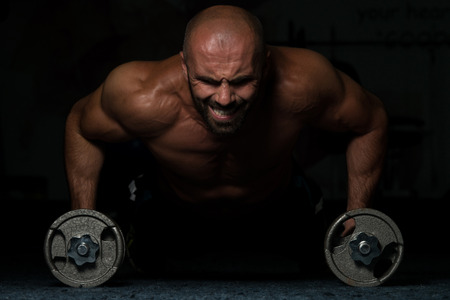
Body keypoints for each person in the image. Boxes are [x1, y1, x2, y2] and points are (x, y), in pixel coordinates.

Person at [64, 5, 388, 272]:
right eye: (206, 80)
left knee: (327, 270)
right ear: (184, 65)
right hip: (172, 209)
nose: (224, 99)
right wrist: (82, 218)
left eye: (242, 81)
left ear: (265, 64)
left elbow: (371, 120)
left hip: (276, 205)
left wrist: (360, 213)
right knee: (141, 267)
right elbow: (80, 125)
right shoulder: (141, 95)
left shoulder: (304, 83)